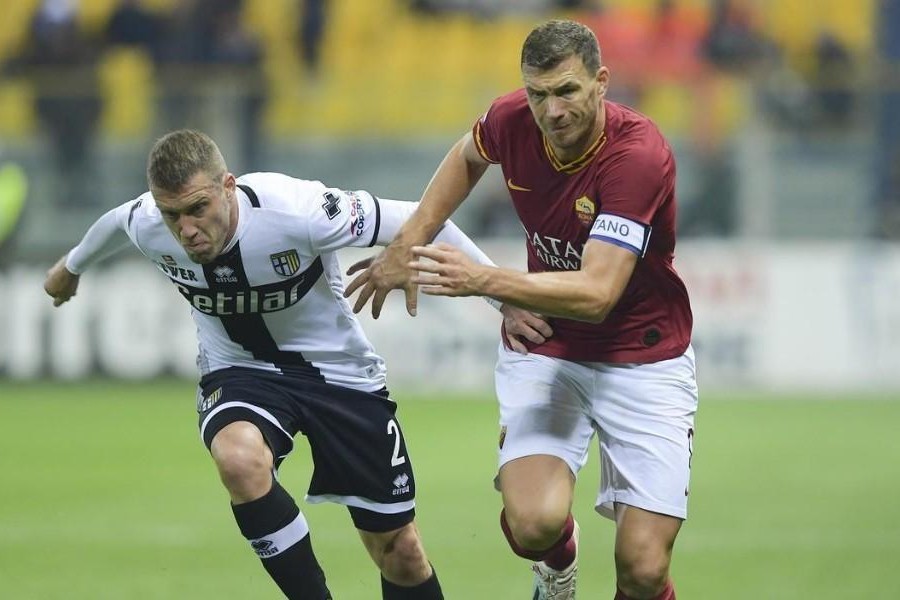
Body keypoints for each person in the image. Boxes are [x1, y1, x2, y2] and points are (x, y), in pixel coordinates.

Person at [42, 129, 500, 599]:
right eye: (172, 215)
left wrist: (504, 297)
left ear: (228, 186)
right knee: (238, 458)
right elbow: (117, 222)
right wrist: (70, 267)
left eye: (198, 208)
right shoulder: (149, 222)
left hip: (338, 375)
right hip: (240, 370)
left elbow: (431, 220)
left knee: (400, 554)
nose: (186, 229)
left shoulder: (299, 211)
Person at [345, 20, 697, 600]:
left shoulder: (638, 155)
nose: (551, 110)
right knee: (534, 526)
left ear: (601, 81)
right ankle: (557, 569)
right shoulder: (512, 119)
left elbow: (597, 293)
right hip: (548, 344)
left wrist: (487, 281)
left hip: (644, 357)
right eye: (537, 94)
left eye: (566, 91)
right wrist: (406, 244)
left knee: (643, 568)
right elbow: (465, 158)